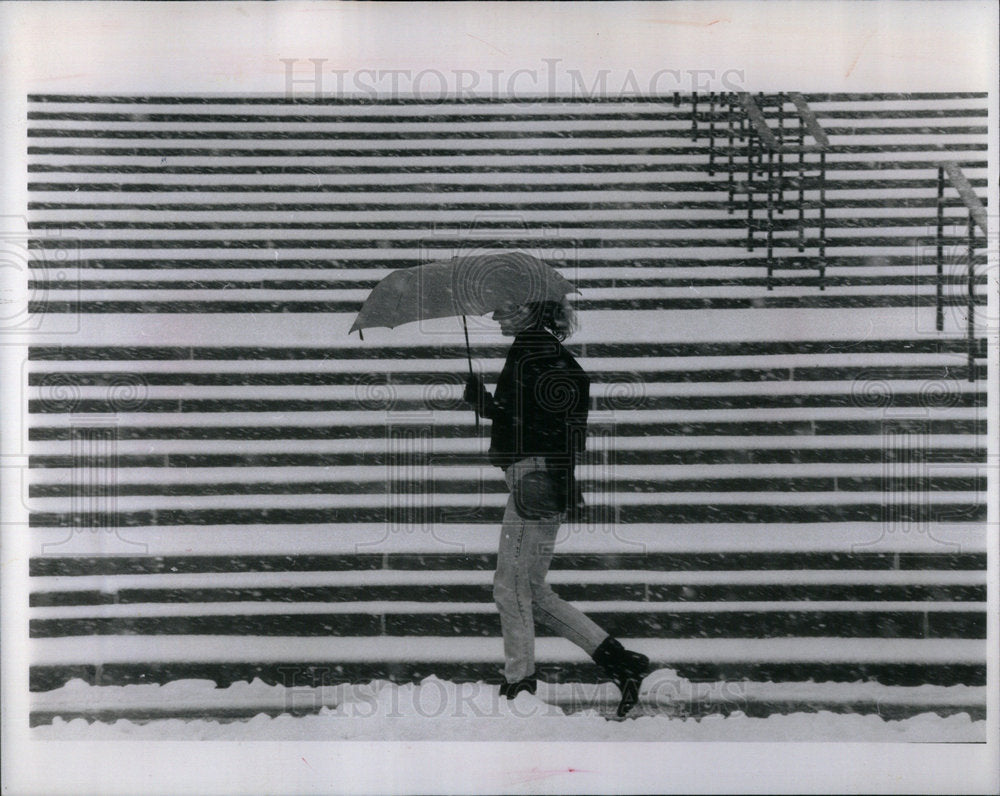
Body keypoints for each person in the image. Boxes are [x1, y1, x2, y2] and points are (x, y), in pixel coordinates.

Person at [463, 298, 651, 718]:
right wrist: (488, 406)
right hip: (539, 477)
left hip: (535, 479)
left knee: (508, 588)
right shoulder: (535, 347)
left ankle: (519, 686)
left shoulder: (536, 349)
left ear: (530, 311)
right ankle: (622, 663)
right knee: (530, 589)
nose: (495, 315)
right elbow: (532, 416)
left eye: (506, 309)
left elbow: (557, 415)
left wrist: (549, 468)